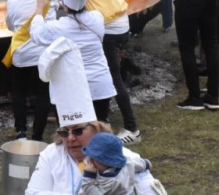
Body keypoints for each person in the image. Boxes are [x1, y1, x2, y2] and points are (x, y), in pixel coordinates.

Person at [26, 38, 164, 195]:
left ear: (95, 128)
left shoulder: (118, 155)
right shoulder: (51, 154)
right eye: (64, 132)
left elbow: (151, 190)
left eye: (78, 131)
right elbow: (33, 192)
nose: (70, 138)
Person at [29, 0, 116, 123]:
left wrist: (40, 9)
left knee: (78, 132)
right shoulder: (97, 18)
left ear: (64, 3)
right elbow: (81, 14)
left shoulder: (58, 28)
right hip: (99, 84)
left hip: (74, 88)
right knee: (99, 127)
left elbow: (36, 34)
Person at [84, 0, 140, 145]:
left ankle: (132, 128)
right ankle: (102, 118)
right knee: (104, 73)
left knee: (113, 78)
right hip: (122, 24)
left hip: (108, 29)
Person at [2, 0, 50, 141]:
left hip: (21, 55)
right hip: (42, 53)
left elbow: (11, 26)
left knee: (19, 91)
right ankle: (38, 133)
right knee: (42, 93)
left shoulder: (12, 0)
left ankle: (21, 130)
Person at [82, 133, 151, 194]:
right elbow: (143, 164)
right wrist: (147, 164)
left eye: (92, 159)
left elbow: (91, 192)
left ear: (103, 161)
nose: (89, 160)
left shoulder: (109, 182)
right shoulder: (128, 163)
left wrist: (89, 176)